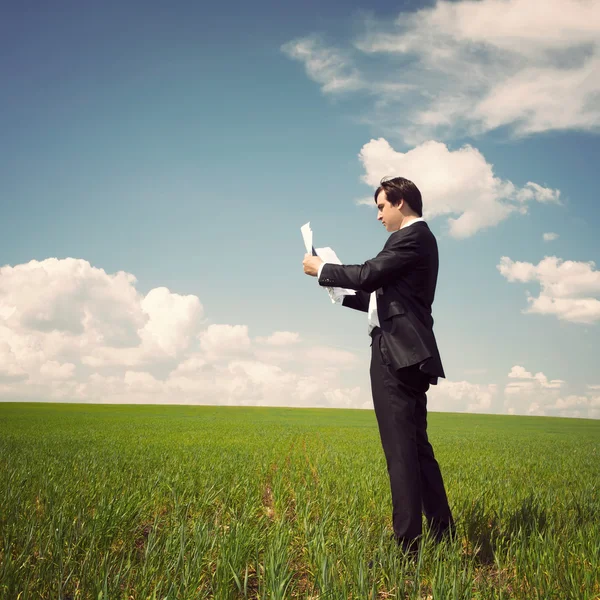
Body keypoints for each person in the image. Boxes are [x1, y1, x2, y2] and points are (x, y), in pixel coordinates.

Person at [302, 176, 454, 553]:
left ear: (400, 202)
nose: (378, 216)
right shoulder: (419, 241)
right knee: (416, 449)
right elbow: (379, 297)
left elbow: (370, 274)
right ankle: (441, 535)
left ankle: (408, 548)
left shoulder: (413, 236)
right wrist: (338, 290)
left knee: (401, 452)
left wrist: (323, 269)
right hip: (410, 352)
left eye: (381, 207)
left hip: (395, 353)